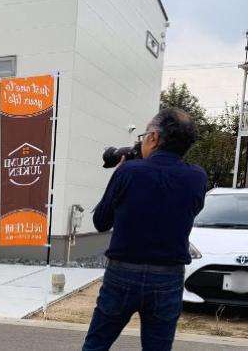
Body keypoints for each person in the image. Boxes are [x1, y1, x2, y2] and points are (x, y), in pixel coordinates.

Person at [82, 108, 207, 351]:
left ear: (154, 137)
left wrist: (120, 174)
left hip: (122, 274)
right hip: (168, 277)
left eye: (145, 135)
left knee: (96, 346)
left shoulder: (129, 171)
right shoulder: (197, 177)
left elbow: (101, 221)